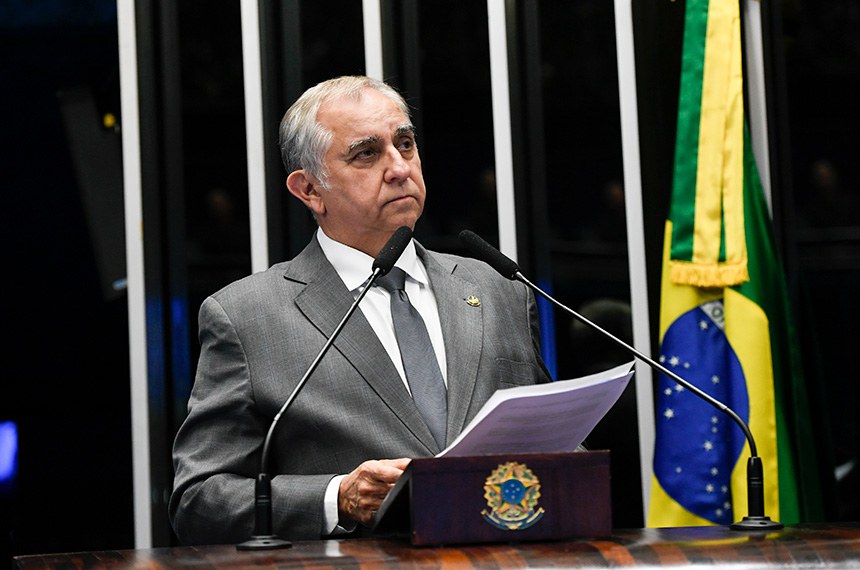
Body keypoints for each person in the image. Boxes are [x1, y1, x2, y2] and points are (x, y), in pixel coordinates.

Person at [169, 76, 551, 544]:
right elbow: (199, 499)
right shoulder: (248, 317)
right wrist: (337, 497)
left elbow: (553, 445)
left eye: (405, 144)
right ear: (309, 190)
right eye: (367, 153)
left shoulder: (497, 288)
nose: (398, 167)